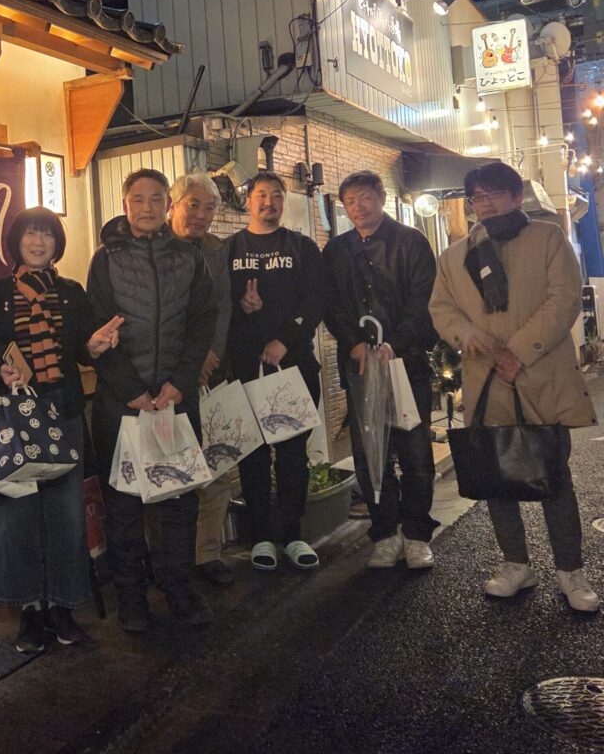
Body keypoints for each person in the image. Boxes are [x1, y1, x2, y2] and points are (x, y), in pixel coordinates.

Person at [429, 162, 599, 612]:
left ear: (515, 197)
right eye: (477, 197)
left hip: (540, 375)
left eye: (494, 194)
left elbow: (563, 298)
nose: (485, 204)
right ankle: (515, 564)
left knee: (554, 475)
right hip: (486, 378)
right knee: (495, 476)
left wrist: (518, 351)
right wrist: (467, 335)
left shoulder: (547, 238)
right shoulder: (455, 255)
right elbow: (441, 308)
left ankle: (571, 570)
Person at [0, 207, 121, 652]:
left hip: (63, 412)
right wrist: (2, 365)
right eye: (31, 234)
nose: (38, 242)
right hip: (15, 419)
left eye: (47, 235)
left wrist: (95, 346)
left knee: (66, 514)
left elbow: (83, 350)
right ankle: (29, 610)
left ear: (57, 244)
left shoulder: (70, 293)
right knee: (16, 516)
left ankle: (62, 606)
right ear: (16, 242)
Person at [87, 168, 217, 632]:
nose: (147, 206)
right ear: (125, 205)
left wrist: (180, 383)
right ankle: (132, 601)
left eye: (156, 198)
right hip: (122, 404)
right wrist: (132, 391)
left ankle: (180, 590)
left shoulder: (189, 257)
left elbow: (202, 323)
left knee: (179, 500)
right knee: (124, 506)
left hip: (175, 400)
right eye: (138, 198)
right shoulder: (105, 259)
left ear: (168, 205)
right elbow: (98, 327)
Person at [323, 170, 439, 570]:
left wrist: (396, 343)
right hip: (359, 366)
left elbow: (423, 300)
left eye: (365, 197)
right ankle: (385, 534)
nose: (358, 207)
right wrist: (353, 342)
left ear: (381, 198)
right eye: (350, 201)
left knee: (415, 453)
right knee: (369, 454)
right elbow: (331, 305)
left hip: (407, 364)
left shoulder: (411, 242)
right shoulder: (336, 251)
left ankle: (417, 535)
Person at [227, 172, 330, 572]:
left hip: (293, 366)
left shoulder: (301, 247)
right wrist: (242, 308)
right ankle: (261, 538)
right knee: (252, 455)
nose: (268, 202)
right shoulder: (229, 249)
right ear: (248, 201)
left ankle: (292, 534)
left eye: (275, 195)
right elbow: (217, 306)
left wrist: (285, 339)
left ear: (283, 202)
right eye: (260, 195)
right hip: (244, 368)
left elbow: (317, 299)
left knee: (291, 455)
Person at [167, 172, 235, 586]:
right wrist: (186, 363)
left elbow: (222, 306)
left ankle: (207, 553)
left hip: (208, 374)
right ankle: (169, 560)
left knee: (216, 469)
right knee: (171, 472)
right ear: (174, 205)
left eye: (209, 208)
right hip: (167, 378)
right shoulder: (154, 247)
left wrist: (211, 354)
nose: (201, 215)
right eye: (193, 204)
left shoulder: (215, 250)